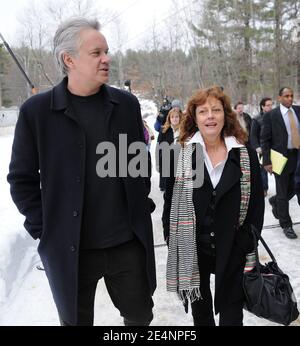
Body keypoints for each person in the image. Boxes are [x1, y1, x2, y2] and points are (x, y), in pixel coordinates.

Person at [7, 17, 156, 326]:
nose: (107, 59)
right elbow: (21, 181)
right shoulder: (36, 112)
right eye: (96, 53)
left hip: (126, 246)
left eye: (107, 51)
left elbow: (139, 162)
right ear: (69, 59)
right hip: (73, 253)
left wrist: (140, 207)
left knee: (140, 317)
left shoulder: (126, 105)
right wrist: (46, 229)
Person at [162, 86, 264, 326]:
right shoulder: (178, 154)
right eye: (203, 111)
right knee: (202, 314)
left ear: (225, 115)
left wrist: (246, 243)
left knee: (232, 316)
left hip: (233, 247)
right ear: (194, 117)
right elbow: (170, 201)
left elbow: (257, 205)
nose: (210, 116)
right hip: (193, 249)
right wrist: (171, 238)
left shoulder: (244, 153)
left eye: (216, 110)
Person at [261, 87, 300, 239]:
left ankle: (274, 201)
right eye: (286, 96)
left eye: (291, 95)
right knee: (283, 192)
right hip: (281, 158)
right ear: (279, 98)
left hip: (298, 157)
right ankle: (286, 224)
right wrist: (267, 161)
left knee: (293, 189)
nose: (290, 98)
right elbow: (265, 139)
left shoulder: (298, 111)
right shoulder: (271, 116)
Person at [250, 97, 273, 196]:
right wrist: (257, 147)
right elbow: (253, 135)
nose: (270, 107)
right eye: (268, 105)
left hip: (274, 147)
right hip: (262, 147)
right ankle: (264, 189)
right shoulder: (257, 119)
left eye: (271, 105)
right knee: (263, 169)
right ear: (262, 106)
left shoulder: (275, 116)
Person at [156, 107, 183, 191]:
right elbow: (158, 148)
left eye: (177, 117)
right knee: (168, 191)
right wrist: (157, 164)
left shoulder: (185, 130)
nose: (174, 119)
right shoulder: (164, 130)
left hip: (180, 165)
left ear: (180, 118)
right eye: (172, 117)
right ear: (169, 118)